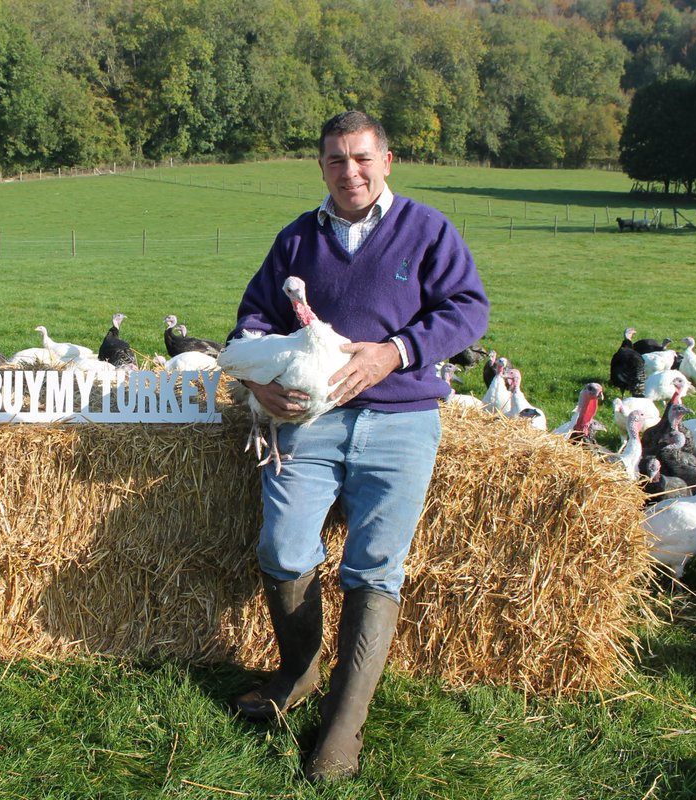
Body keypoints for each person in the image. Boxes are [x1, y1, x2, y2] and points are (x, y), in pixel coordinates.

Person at [228, 111, 489, 781]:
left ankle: (344, 725)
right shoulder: (296, 240)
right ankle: (299, 673)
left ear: (387, 160)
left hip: (400, 422)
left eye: (362, 159)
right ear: (322, 168)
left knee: (375, 569)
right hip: (308, 423)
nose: (351, 172)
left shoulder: (427, 231)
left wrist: (396, 353)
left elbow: (467, 308)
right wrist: (261, 386)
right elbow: (255, 319)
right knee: (283, 548)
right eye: (338, 161)